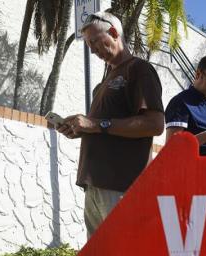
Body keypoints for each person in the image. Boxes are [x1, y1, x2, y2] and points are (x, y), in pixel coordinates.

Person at [57, 12, 164, 238]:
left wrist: (96, 124)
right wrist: (79, 129)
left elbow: (155, 124)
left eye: (95, 41)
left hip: (122, 186)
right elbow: (101, 127)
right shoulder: (104, 81)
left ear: (114, 33)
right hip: (94, 185)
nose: (92, 49)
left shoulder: (139, 70)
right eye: (88, 44)